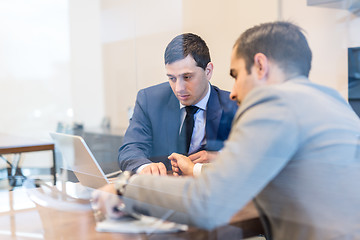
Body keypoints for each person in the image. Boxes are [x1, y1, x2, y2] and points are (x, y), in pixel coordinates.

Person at [94, 21, 360, 240]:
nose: (232, 92)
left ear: (259, 65)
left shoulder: (274, 104)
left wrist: (126, 187)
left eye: (235, 75)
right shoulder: (334, 102)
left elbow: (209, 203)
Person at [118, 33, 238, 175]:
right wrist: (144, 167)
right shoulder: (149, 100)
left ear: (208, 71)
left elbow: (251, 155)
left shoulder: (234, 105)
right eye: (172, 78)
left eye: (187, 77)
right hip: (164, 190)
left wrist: (221, 158)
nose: (179, 88)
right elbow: (130, 149)